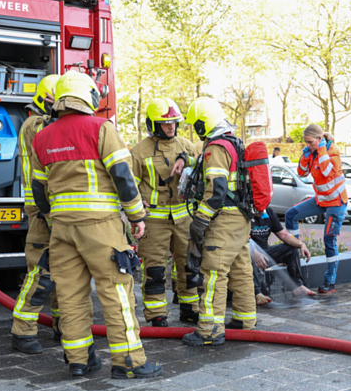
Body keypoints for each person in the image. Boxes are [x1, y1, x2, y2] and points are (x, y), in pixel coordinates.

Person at [32, 71, 160, 379]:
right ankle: (129, 362)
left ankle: (79, 360)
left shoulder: (42, 136)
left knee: (70, 295)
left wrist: (54, 217)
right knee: (116, 291)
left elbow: (39, 189)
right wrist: (137, 216)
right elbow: (123, 176)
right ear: (87, 96)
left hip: (62, 229)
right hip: (100, 226)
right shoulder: (100, 128)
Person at [181, 97, 257, 345]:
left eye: (196, 125)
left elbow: (216, 191)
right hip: (241, 219)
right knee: (241, 270)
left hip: (223, 220)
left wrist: (200, 221)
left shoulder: (216, 148)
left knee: (213, 274)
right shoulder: (234, 142)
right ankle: (245, 320)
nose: (196, 130)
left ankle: (209, 330)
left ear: (203, 124)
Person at [130, 97, 201, 327]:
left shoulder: (185, 145)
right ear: (153, 124)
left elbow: (200, 164)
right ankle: (156, 314)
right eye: (165, 123)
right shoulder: (139, 151)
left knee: (189, 265)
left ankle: (190, 309)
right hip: (155, 220)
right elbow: (129, 184)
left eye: (174, 122)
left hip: (183, 218)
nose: (171, 126)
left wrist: (185, 158)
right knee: (155, 269)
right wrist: (137, 206)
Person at [11, 74, 61, 355]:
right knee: (41, 272)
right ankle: (22, 331)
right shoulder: (34, 124)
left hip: (59, 210)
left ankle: (62, 325)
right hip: (42, 212)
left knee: (63, 272)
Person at [284, 125, 348, 294]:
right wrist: (305, 156)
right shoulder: (312, 153)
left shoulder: (332, 151)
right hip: (321, 200)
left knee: (329, 239)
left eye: (310, 142)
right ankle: (295, 249)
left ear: (320, 139)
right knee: (291, 214)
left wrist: (320, 151)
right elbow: (301, 172)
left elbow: (327, 171)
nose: (308, 145)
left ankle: (330, 282)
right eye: (306, 142)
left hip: (336, 201)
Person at [250, 208, 314, 301]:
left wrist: (301, 245)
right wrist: (254, 253)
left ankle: (297, 286)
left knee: (291, 249)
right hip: (248, 253)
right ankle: (257, 294)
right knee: (248, 256)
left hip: (265, 255)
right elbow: (243, 239)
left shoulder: (269, 212)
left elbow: (284, 235)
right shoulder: (244, 213)